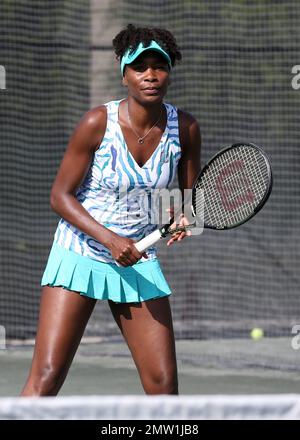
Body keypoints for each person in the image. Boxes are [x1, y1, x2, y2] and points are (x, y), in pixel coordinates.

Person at [21, 23, 201, 396]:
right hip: (80, 253)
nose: (150, 75)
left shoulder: (185, 128)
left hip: (138, 258)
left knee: (164, 387)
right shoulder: (96, 123)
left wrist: (183, 217)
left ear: (169, 71)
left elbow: (188, 201)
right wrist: (111, 239)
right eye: (140, 67)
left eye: (159, 66)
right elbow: (60, 196)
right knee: (47, 377)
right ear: (125, 75)